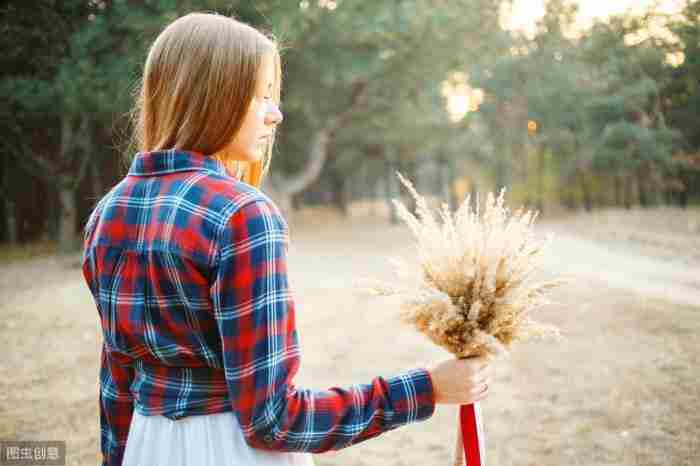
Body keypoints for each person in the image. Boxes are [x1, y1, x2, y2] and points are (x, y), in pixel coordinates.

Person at [81, 12, 492, 466]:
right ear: (213, 98)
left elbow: (117, 387)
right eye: (261, 96)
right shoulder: (242, 216)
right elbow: (273, 421)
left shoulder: (108, 212)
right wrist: (426, 388)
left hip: (146, 448)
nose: (276, 114)